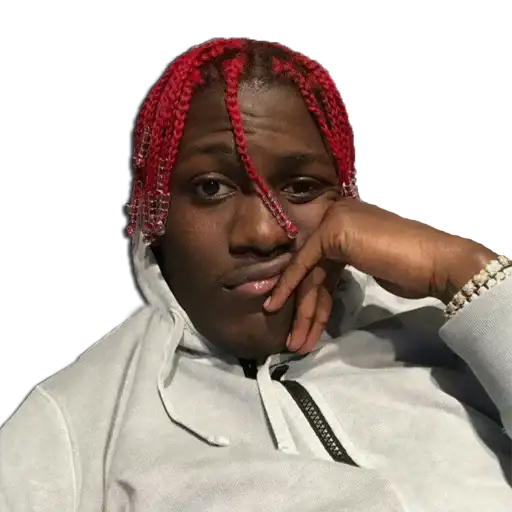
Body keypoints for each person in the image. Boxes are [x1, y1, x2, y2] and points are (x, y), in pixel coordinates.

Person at [1, 38, 511, 512]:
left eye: (302, 187)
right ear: (155, 215)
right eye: (210, 188)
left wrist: (462, 271)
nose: (264, 233)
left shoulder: (451, 328)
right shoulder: (75, 428)